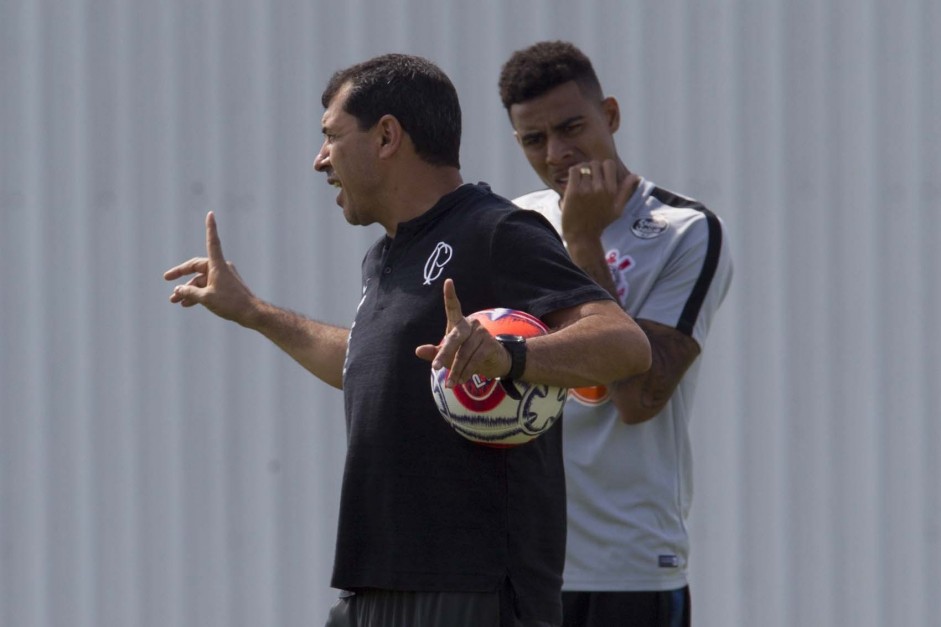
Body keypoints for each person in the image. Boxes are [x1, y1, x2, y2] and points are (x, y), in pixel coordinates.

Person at [164, 53, 652, 627]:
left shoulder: (494, 229)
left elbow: (625, 343)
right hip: (373, 586)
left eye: (331, 137)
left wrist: (510, 357)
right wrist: (253, 311)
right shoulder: (383, 257)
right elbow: (371, 366)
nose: (320, 159)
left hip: (472, 590)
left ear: (387, 136)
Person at [498, 41, 734, 627]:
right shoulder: (511, 226)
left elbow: (639, 398)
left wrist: (582, 243)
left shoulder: (686, 231)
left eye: (572, 126)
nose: (557, 153)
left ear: (611, 114)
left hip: (626, 568)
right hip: (521, 563)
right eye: (534, 139)